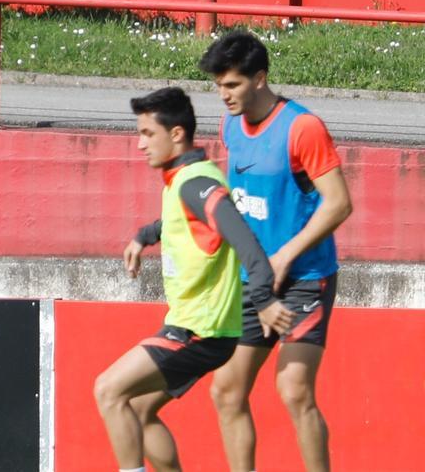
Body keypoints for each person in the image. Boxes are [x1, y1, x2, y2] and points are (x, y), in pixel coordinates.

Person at [97, 86, 274, 472]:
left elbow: (245, 240)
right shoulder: (185, 179)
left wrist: (264, 298)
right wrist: (146, 234)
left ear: (176, 134)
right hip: (200, 328)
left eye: (147, 134)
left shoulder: (195, 183)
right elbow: (186, 221)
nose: (140, 144)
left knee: (109, 390)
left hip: (201, 331)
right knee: (140, 412)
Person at [201, 31, 353, 472]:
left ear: (260, 78)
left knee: (294, 390)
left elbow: (339, 203)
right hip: (254, 280)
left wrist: (285, 255)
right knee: (225, 391)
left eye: (232, 85)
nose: (223, 94)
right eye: (218, 85)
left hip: (305, 276)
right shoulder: (230, 125)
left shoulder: (302, 128)